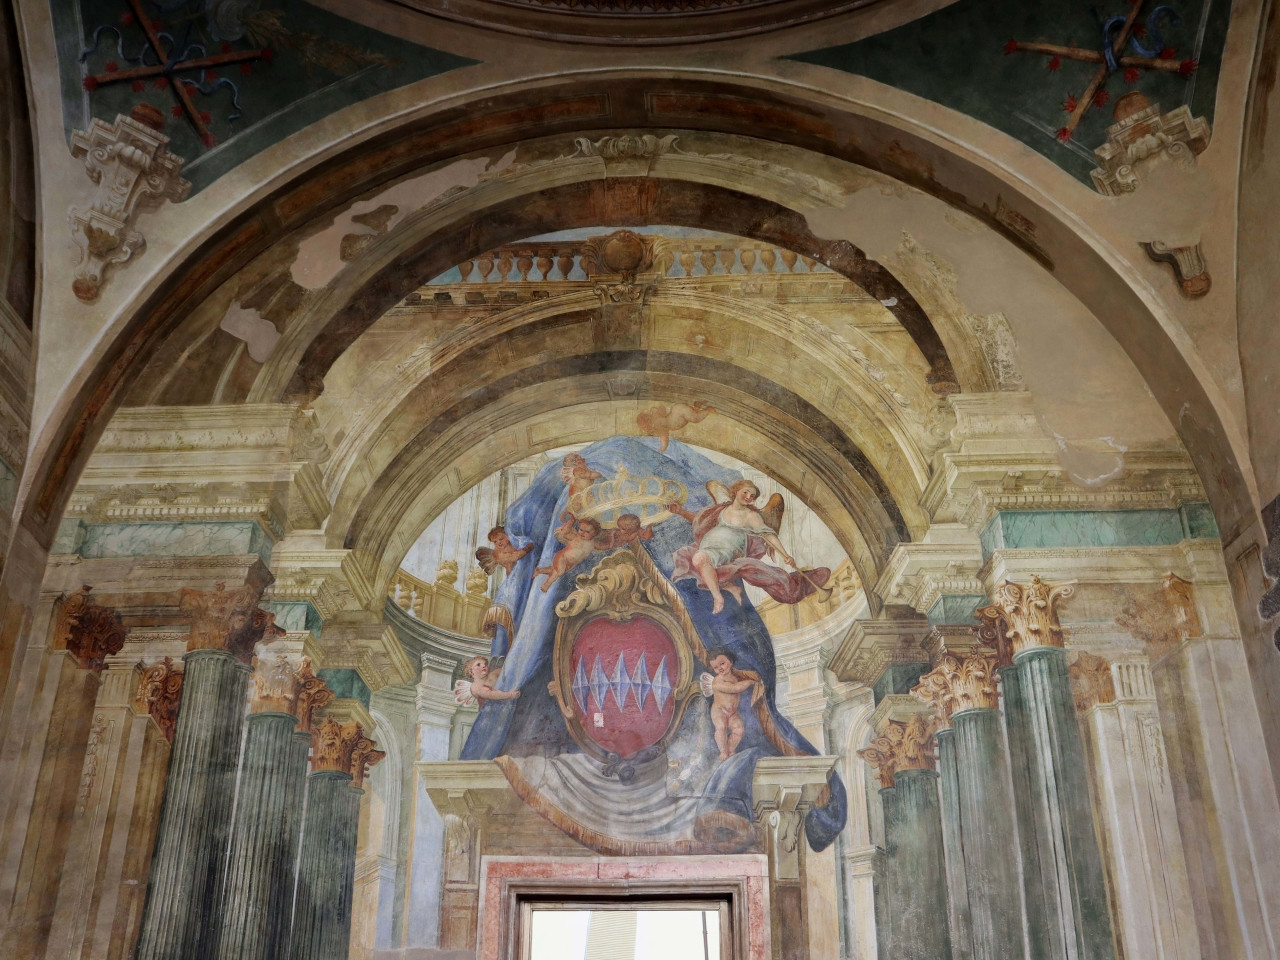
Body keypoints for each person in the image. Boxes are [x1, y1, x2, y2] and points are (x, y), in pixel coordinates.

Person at [669, 479, 829, 614]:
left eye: (752, 496)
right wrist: (681, 512)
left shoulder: (751, 516)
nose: (748, 497)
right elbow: (699, 520)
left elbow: (768, 534)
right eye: (745, 492)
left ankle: (717, 597)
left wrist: (786, 555)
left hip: (727, 550)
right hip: (709, 547)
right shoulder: (722, 509)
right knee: (699, 558)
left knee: (699, 558)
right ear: (736, 491)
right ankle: (725, 590)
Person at [701, 648, 757, 761]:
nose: (720, 668)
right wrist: (750, 681)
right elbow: (734, 688)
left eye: (722, 663)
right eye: (716, 667)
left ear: (730, 662)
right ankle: (722, 752)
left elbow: (736, 685)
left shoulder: (735, 678)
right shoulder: (717, 682)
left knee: (739, 729)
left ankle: (730, 749)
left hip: (732, 712)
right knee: (721, 727)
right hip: (719, 711)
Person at [457, 655, 521, 703]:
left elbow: (505, 671)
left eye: (485, 664)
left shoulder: (492, 674)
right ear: (471, 672)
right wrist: (510, 695)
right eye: (478, 665)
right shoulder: (477, 688)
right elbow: (493, 695)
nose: (483, 665)